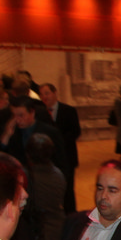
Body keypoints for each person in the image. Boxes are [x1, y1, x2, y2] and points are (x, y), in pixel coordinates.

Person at [37, 82, 81, 213]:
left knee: (68, 190)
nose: (45, 97)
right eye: (41, 94)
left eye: (47, 93)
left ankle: (71, 216)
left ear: (55, 93)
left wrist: (58, 141)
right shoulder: (39, 113)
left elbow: (76, 132)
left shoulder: (69, 110)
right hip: (47, 159)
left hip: (67, 157)